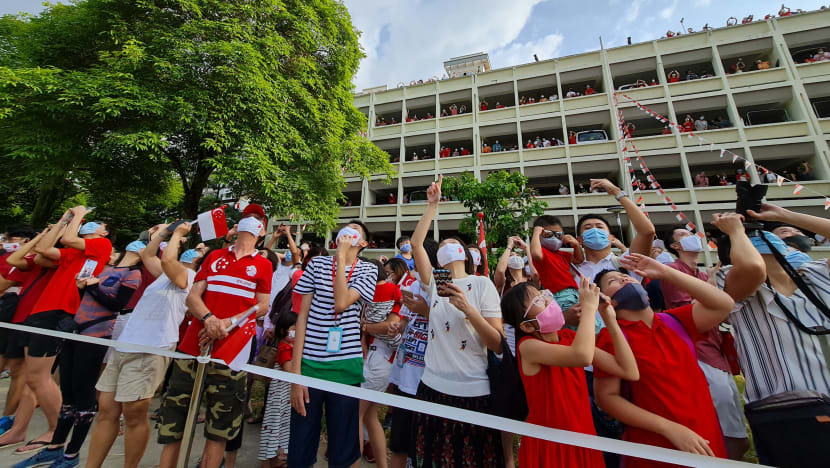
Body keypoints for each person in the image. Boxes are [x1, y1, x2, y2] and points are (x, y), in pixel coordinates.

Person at [593, 252, 737, 467]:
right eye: (612, 281)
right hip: (655, 445)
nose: (624, 279)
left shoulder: (675, 320)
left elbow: (723, 304)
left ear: (647, 294)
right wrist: (670, 429)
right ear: (608, 302)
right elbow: (607, 398)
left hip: (705, 436)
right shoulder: (613, 337)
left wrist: (667, 272)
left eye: (627, 277)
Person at [714, 203, 830, 464]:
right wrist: (736, 232)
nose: (777, 239)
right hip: (785, 409)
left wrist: (786, 215)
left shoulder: (815, 273)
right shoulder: (729, 278)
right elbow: (753, 269)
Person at [157, 208, 272, 468]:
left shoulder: (263, 264)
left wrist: (229, 323)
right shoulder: (215, 256)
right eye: (246, 217)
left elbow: (262, 305)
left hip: (232, 352)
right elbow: (193, 296)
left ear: (262, 231)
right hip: (193, 346)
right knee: (174, 422)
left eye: (257, 219)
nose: (250, 221)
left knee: (219, 429)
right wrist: (209, 319)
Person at [19, 232, 141, 468]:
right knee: (68, 393)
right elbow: (87, 297)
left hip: (96, 334)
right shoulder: (105, 268)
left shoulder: (133, 274)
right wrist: (81, 288)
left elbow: (116, 305)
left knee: (84, 397)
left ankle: (71, 455)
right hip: (75, 329)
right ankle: (54, 447)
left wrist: (93, 288)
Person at [84, 222, 201, 468]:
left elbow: (169, 262)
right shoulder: (162, 277)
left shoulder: (189, 277)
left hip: (150, 349)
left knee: (134, 413)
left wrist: (178, 235)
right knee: (106, 410)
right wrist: (161, 233)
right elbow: (148, 254)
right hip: (126, 345)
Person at [409, 175, 505, 467]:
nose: (449, 246)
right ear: (437, 258)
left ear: (464, 253)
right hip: (431, 386)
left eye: (454, 243)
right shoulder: (434, 284)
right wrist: (432, 206)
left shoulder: (482, 284)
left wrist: (469, 310)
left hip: (473, 391)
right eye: (444, 244)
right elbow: (415, 244)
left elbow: (498, 344)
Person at [501, 279, 639, 468]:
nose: (548, 300)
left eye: (544, 294)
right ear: (527, 326)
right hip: (552, 445)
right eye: (538, 301)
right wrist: (590, 309)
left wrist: (609, 320)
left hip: (584, 440)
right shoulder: (528, 347)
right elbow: (582, 356)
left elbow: (628, 370)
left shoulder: (569, 337)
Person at [16, 207, 112, 456]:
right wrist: (61, 222)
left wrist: (79, 213)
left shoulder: (102, 245)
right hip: (44, 309)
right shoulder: (73, 253)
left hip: (63, 311)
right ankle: (52, 427)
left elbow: (70, 239)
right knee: (32, 376)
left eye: (98, 224)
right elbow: (41, 252)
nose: (95, 226)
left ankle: (54, 428)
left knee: (39, 376)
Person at [289, 221, 377, 468]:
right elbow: (302, 317)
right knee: (300, 448)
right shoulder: (316, 264)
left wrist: (340, 259)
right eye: (345, 228)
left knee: (343, 451)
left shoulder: (367, 271)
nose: (347, 231)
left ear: (362, 244)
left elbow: (341, 302)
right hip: (309, 368)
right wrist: (296, 375)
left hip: (345, 370)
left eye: (354, 230)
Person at [386, 249, 433, 468]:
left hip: (428, 383)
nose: (414, 265)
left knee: (424, 449)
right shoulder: (413, 287)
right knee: (399, 445)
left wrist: (427, 312)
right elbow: (406, 320)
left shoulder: (444, 290)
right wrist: (398, 326)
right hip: (406, 377)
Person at [358, 259, 402, 468]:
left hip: (377, 359)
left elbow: (390, 326)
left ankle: (352, 462)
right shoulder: (393, 290)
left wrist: (365, 327)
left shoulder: (387, 291)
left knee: (354, 415)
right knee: (369, 416)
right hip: (380, 359)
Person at [574, 179, 656, 283]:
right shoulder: (573, 270)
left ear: (611, 238)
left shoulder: (626, 263)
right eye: (588, 228)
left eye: (599, 227)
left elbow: (647, 232)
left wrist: (617, 192)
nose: (594, 230)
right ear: (580, 240)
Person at [258, 311, 296, 468]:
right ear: (283, 330)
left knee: (283, 426)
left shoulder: (290, 346)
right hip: (279, 396)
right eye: (295, 329)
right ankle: (269, 460)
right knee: (274, 425)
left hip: (285, 397)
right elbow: (289, 370)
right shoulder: (285, 347)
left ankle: (278, 455)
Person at [529, 215, 584, 320]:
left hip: (574, 294)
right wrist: (536, 233)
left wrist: (576, 245)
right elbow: (535, 253)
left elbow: (579, 259)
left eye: (558, 235)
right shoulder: (542, 253)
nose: (554, 238)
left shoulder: (561, 254)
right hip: (560, 296)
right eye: (548, 234)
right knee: (590, 325)